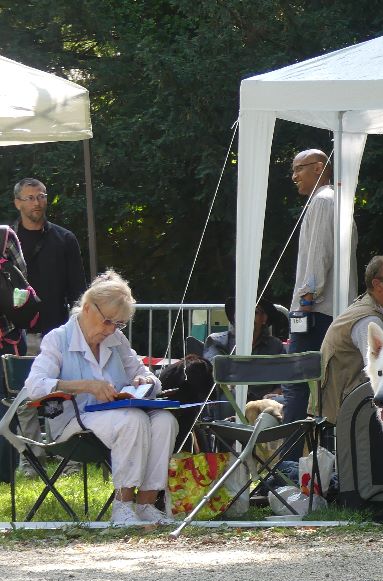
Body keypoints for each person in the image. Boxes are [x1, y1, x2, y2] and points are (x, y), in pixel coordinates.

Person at [22, 270, 178, 525]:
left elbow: (149, 375)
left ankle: (146, 504)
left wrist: (145, 381)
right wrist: (87, 386)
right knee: (133, 419)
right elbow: (35, 387)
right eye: (107, 321)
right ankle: (122, 507)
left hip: (116, 419)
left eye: (118, 324)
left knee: (164, 421)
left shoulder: (116, 339)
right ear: (86, 308)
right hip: (72, 423)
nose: (110, 330)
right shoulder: (58, 339)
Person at [283, 149, 336, 447]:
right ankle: (320, 461)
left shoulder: (322, 202)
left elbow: (318, 259)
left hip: (313, 312)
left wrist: (305, 301)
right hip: (325, 311)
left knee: (297, 387)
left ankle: (287, 464)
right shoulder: (334, 201)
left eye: (298, 169)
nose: (293, 176)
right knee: (322, 390)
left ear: (318, 168)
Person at [319, 254, 383, 424]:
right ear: (377, 284)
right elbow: (381, 374)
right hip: (347, 418)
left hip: (352, 411)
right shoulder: (369, 320)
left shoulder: (375, 312)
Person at [12, 178, 87, 354]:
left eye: (41, 196)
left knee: (57, 382)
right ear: (17, 203)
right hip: (14, 334)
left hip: (56, 332)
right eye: (29, 198)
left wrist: (79, 332)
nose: (36, 203)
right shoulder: (6, 240)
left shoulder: (65, 239)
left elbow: (78, 290)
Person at [204, 296, 286, 400]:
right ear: (234, 317)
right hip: (231, 401)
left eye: (254, 312)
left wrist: (275, 393)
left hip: (265, 404)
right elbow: (216, 372)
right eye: (241, 311)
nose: (247, 317)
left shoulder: (275, 346)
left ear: (264, 319)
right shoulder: (217, 341)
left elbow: (285, 378)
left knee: (282, 401)